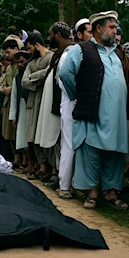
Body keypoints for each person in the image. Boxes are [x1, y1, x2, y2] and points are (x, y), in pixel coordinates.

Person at [59, 11, 129, 210]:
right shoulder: (81, 49)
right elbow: (65, 73)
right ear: (99, 28)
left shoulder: (116, 52)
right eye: (112, 27)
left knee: (114, 153)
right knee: (91, 152)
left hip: (116, 115)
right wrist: (77, 95)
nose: (115, 32)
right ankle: (91, 193)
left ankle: (112, 192)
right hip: (94, 112)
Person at [37, 22, 73, 191]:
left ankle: (62, 178)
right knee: (56, 142)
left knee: (62, 141)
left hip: (64, 104)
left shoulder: (70, 52)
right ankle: (57, 174)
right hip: (56, 104)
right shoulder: (59, 54)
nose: (49, 38)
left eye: (51, 35)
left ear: (58, 35)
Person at [22, 33, 54, 180]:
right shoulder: (30, 63)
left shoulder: (52, 57)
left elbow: (50, 71)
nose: (29, 52)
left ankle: (51, 168)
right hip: (33, 101)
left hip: (46, 101)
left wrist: (33, 77)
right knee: (32, 135)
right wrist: (38, 80)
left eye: (29, 48)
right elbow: (24, 82)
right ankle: (41, 167)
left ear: (36, 45)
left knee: (45, 134)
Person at [51, 23, 77, 198]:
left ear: (59, 35)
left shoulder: (68, 52)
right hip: (71, 102)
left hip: (70, 102)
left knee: (68, 144)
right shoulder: (72, 51)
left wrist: (75, 96)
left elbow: (63, 78)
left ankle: (65, 185)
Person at [0, 40, 20, 164]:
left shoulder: (21, 64)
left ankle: (22, 159)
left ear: (16, 49)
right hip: (8, 101)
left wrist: (12, 88)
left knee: (18, 132)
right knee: (9, 132)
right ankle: (15, 157)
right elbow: (2, 84)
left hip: (18, 101)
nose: (7, 55)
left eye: (8, 52)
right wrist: (6, 89)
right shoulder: (9, 67)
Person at [8, 52, 30, 165]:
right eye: (18, 63)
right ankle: (26, 162)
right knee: (22, 137)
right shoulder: (17, 78)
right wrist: (13, 116)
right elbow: (14, 97)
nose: (20, 65)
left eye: (22, 62)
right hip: (21, 111)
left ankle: (30, 164)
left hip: (30, 109)